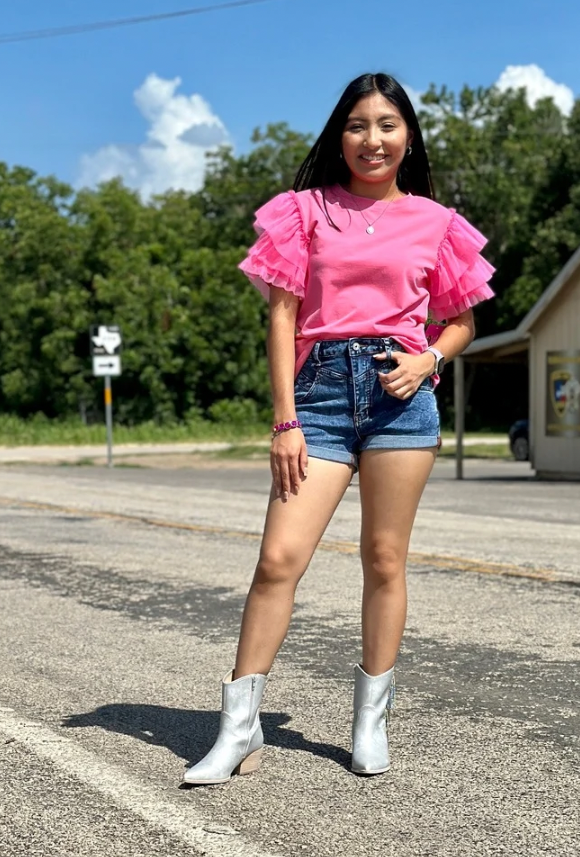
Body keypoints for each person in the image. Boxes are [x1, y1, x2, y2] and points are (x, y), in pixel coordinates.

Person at [183, 72, 494, 784]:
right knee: (278, 560)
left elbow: (462, 324)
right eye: (358, 125)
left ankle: (370, 723)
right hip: (319, 397)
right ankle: (236, 730)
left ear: (407, 136)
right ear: (340, 134)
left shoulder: (436, 223)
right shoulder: (304, 211)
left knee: (384, 560)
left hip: (399, 397)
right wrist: (285, 419)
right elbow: (282, 315)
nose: (372, 139)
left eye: (387, 124)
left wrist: (425, 362)